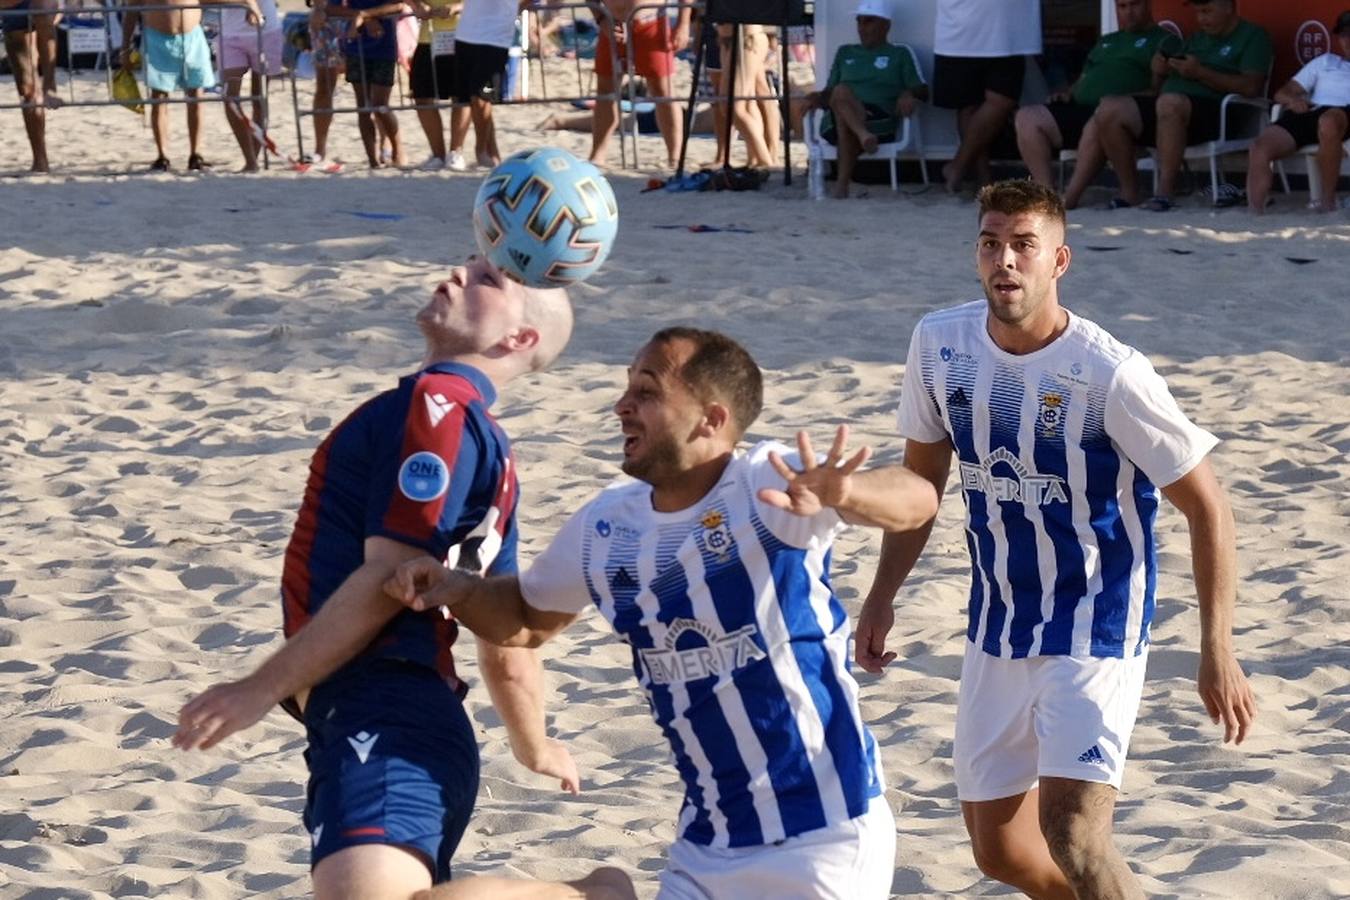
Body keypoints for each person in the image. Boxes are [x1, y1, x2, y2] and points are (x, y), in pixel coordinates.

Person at [387, 327, 942, 899]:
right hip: (706, 842)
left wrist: (845, 492)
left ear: (710, 419)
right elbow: (525, 617)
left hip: (824, 832)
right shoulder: (608, 525)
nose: (622, 405)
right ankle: (603, 892)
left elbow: (918, 498)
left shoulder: (763, 484)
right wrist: (454, 587)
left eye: (647, 391)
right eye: (627, 386)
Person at [171, 257, 626, 898]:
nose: (458, 275)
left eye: (487, 280)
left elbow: (389, 577)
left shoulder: (437, 407)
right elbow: (502, 629)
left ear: (518, 339)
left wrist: (259, 688)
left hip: (387, 708)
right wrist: (533, 743)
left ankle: (595, 895)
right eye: (468, 266)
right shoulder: (490, 446)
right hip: (401, 718)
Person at [855, 180, 1258, 899]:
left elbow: (1209, 508)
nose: (1004, 260)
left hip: (1095, 624)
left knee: (1073, 832)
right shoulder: (939, 345)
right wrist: (882, 595)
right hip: (997, 622)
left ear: (1058, 261)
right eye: (990, 243)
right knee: (1000, 852)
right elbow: (923, 487)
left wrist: (1216, 648)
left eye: (1023, 245)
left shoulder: (1111, 373)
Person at [1086, 0, 1271, 211]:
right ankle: (1130, 191)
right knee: (1110, 108)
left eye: (1207, 11)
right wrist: (1159, 71)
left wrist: (1200, 72)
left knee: (1169, 103)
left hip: (1217, 114)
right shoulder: (1196, 38)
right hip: (1169, 107)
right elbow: (1160, 86)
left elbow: (1251, 87)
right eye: (1198, 12)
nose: (1201, 18)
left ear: (1229, 7)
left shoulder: (1253, 36)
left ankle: (1165, 192)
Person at [1016, 0, 1169, 191]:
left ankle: (1070, 197)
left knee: (1102, 114)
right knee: (1027, 117)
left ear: (1148, 5)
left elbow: (1161, 90)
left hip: (1120, 117)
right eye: (1122, 7)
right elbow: (1085, 78)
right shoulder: (1107, 40)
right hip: (1082, 109)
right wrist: (1067, 93)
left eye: (1134, 5)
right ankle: (1046, 192)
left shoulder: (1163, 40)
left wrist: (1123, 99)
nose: (1128, 12)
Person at [120, 0, 262, 172]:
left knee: (196, 95)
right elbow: (131, 11)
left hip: (192, 38)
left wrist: (250, 4)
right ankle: (162, 155)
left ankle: (196, 154)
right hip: (157, 38)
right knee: (159, 97)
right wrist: (125, 47)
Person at [806, 0, 925, 199]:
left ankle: (842, 185)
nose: (861, 28)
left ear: (886, 25)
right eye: (859, 22)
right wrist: (815, 98)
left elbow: (923, 90)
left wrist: (909, 93)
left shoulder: (899, 53)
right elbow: (829, 94)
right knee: (841, 92)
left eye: (868, 22)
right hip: (848, 120)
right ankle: (862, 135)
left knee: (843, 110)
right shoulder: (845, 52)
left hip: (879, 119)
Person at [1246, 10, 1350, 214]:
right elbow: (1282, 93)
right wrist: (1292, 100)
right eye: (1345, 34)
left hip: (1343, 114)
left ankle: (1327, 202)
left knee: (1328, 121)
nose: (1348, 40)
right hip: (1312, 111)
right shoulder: (1326, 62)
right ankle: (1254, 211)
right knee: (1260, 146)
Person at [932, 0, 1040, 193]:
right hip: (960, 27)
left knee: (1002, 100)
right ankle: (984, 179)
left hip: (1008, 31)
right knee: (968, 105)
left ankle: (958, 166)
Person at [589, 0, 691, 169]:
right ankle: (597, 153)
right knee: (605, 91)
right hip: (612, 24)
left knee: (663, 91)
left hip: (651, 23)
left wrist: (683, 23)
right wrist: (601, 19)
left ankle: (675, 155)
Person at [325, 0, 407, 168]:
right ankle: (372, 159)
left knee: (380, 105)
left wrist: (365, 15)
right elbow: (330, 8)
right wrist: (360, 16)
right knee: (363, 107)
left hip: (384, 46)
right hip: (356, 47)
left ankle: (397, 150)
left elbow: (399, 5)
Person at [447, 0, 524, 170]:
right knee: (464, 98)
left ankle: (481, 151)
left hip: (496, 39)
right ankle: (480, 152)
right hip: (466, 35)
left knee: (481, 98)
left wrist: (511, 12)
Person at [218, 0, 284, 171]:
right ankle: (250, 159)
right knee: (230, 98)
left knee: (259, 97)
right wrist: (246, 3)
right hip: (230, 34)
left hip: (266, 31)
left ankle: (253, 158)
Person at [1, 0, 61, 173]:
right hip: (10, 9)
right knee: (28, 90)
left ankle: (50, 84)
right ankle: (40, 160)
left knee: (42, 12)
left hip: (40, 6)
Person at [408, 0, 462, 168]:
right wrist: (416, 5)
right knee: (422, 96)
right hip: (428, 36)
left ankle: (455, 152)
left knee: (461, 96)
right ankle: (437, 154)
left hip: (460, 35)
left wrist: (458, 7)